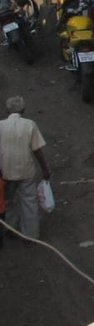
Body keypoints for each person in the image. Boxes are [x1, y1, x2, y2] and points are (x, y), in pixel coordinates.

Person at [0, 96, 48, 240]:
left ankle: (10, 229)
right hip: (26, 171)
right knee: (29, 202)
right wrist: (45, 169)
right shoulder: (30, 125)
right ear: (23, 110)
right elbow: (37, 150)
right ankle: (30, 235)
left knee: (8, 201)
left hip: (6, 171)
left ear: (7, 110)